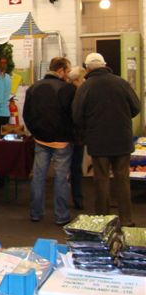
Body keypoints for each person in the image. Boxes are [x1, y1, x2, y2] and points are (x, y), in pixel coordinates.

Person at [72, 53, 140, 226]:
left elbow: (77, 115)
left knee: (101, 180)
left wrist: (89, 127)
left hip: (98, 140)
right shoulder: (121, 83)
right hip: (122, 139)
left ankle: (103, 220)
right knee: (122, 180)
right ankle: (126, 220)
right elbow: (136, 107)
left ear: (87, 68)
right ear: (105, 64)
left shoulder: (85, 87)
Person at [23, 57, 76, 225]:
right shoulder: (67, 89)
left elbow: (26, 114)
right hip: (62, 140)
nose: (68, 74)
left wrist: (35, 132)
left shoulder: (33, 87)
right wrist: (71, 135)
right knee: (61, 179)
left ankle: (35, 213)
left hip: (40, 139)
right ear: (60, 70)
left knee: (38, 177)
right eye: (68, 71)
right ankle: (61, 216)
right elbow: (72, 115)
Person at [68, 66, 87, 210]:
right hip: (77, 136)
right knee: (76, 168)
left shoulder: (64, 91)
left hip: (67, 136)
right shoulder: (79, 94)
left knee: (67, 168)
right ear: (77, 80)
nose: (85, 81)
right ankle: (77, 198)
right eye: (83, 78)